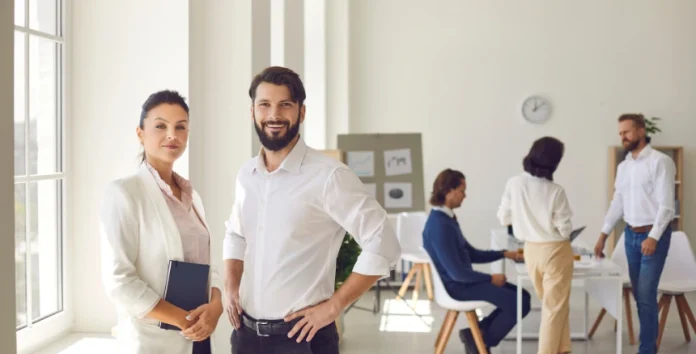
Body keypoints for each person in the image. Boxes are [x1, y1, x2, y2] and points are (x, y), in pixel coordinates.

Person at [222, 66, 401, 354]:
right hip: (246, 337)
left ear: (301, 113)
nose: (274, 115)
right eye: (264, 105)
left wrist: (334, 307)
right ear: (253, 111)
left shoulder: (329, 176)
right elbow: (236, 233)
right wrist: (231, 286)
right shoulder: (246, 175)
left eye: (285, 105)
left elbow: (383, 241)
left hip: (302, 340)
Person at [100, 90, 223, 354]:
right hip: (152, 341)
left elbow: (205, 266)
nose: (172, 135)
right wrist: (182, 320)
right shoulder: (124, 193)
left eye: (181, 127)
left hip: (198, 339)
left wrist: (216, 304)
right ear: (140, 133)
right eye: (160, 126)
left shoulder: (192, 197)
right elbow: (119, 281)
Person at [423, 168, 531, 354]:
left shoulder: (446, 219)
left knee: (524, 297)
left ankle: (477, 334)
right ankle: (481, 341)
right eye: (462, 190)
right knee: (519, 303)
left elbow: (471, 254)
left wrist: (504, 253)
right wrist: (490, 279)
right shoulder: (441, 226)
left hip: (464, 281)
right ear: (450, 191)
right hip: (458, 287)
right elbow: (457, 273)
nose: (465, 196)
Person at [594, 113, 675, 354]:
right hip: (630, 236)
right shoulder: (624, 166)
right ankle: (648, 343)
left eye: (626, 132)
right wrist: (603, 234)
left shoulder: (660, 162)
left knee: (647, 296)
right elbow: (617, 202)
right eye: (620, 133)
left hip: (653, 236)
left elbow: (667, 205)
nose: (623, 137)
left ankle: (647, 350)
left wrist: (654, 236)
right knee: (641, 297)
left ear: (640, 131)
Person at [497, 137, 574, 354]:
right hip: (556, 251)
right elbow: (565, 229)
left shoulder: (514, 183)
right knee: (554, 308)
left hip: (531, 251)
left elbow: (504, 218)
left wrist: (526, 219)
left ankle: (563, 348)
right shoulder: (555, 191)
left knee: (555, 306)